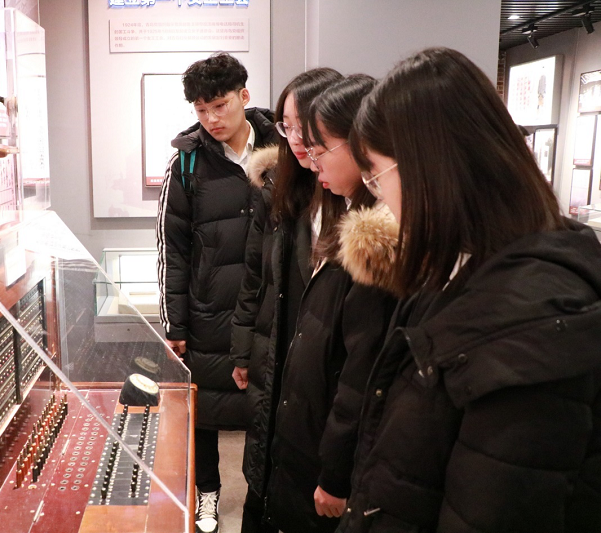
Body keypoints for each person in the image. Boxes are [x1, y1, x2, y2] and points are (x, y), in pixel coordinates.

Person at [340, 47, 601, 532]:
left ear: (429, 167)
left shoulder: (530, 322)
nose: (379, 197)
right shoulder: (458, 268)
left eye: (376, 175)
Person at [260, 75, 398, 533]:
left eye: (320, 145)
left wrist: (335, 471)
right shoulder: (337, 210)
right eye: (290, 130)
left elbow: (361, 371)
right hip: (308, 429)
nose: (308, 154)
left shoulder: (375, 240)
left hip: (330, 443)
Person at [156, 52, 279, 533]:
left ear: (244, 96)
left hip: (267, 307)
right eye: (201, 109)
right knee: (203, 410)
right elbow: (172, 248)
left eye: (220, 105)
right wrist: (175, 322)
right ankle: (206, 493)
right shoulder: (187, 162)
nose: (211, 119)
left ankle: (260, 497)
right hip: (208, 309)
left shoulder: (282, 150)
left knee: (265, 407)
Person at [229, 67, 343, 533]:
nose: (296, 139)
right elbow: (254, 275)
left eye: (306, 127)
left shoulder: (349, 197)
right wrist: (242, 349)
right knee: (265, 459)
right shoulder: (276, 188)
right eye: (287, 126)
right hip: (272, 344)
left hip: (316, 357)